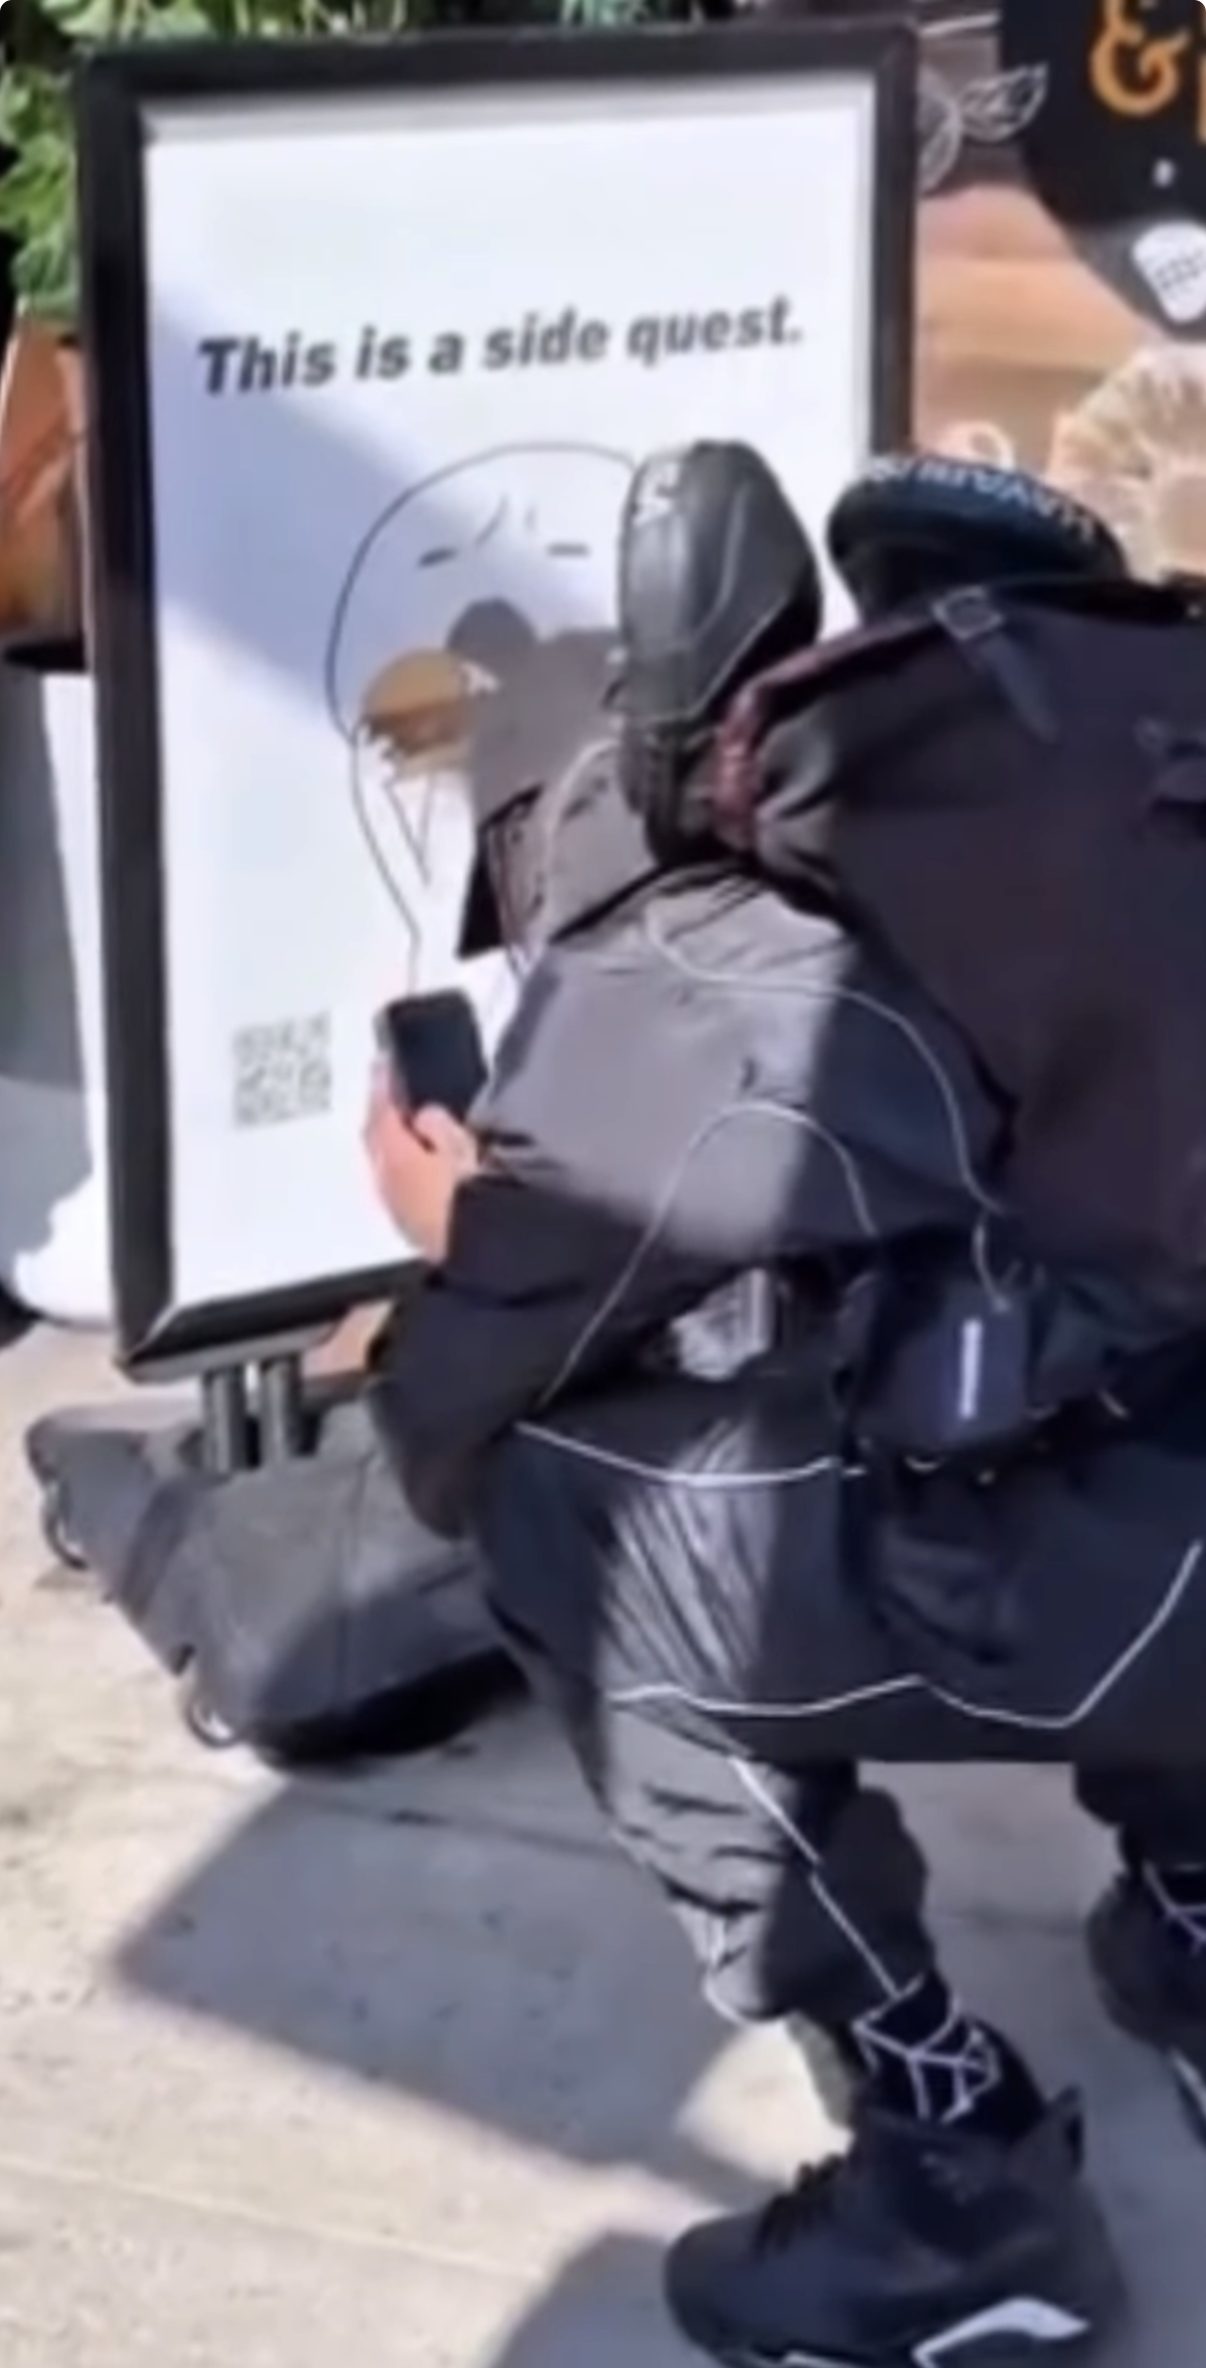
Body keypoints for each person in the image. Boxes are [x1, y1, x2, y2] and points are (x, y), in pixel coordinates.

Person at [363, 443, 1206, 2368]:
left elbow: (458, 1411)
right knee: (1108, 1373)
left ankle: (952, 2175)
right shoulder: (1148, 835)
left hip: (1143, 1587)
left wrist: (452, 1232)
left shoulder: (740, 960)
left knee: (554, 1517)